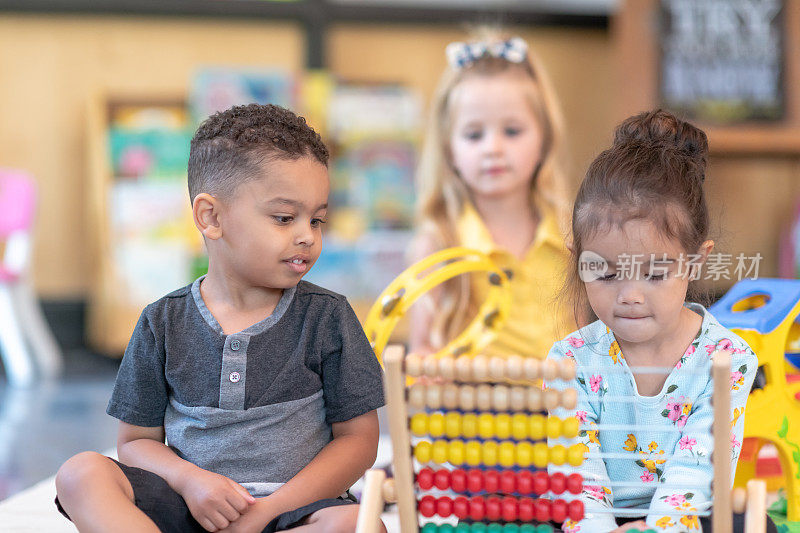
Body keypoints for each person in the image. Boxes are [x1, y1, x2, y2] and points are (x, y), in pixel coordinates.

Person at [54, 104, 385, 533]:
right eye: (285, 218)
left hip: (294, 511)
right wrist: (191, 482)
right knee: (80, 473)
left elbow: (358, 441)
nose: (307, 235)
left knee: (360, 524)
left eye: (317, 219)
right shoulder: (162, 322)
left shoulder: (328, 317)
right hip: (189, 505)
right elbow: (135, 443)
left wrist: (268, 509)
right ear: (211, 217)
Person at [544, 109, 769, 533]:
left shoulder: (727, 359)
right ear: (580, 262)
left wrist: (656, 529)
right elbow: (577, 476)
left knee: (749, 523)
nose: (630, 295)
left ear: (696, 261)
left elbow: (697, 469)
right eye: (607, 274)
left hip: (684, 513)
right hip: (595, 519)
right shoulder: (569, 360)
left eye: (656, 274)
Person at [409, 30, 574, 360]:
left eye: (512, 131)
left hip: (567, 410)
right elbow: (420, 351)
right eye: (473, 135)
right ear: (449, 149)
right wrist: (425, 366)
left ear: (544, 138)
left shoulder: (572, 234)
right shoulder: (437, 243)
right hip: (468, 411)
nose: (493, 149)